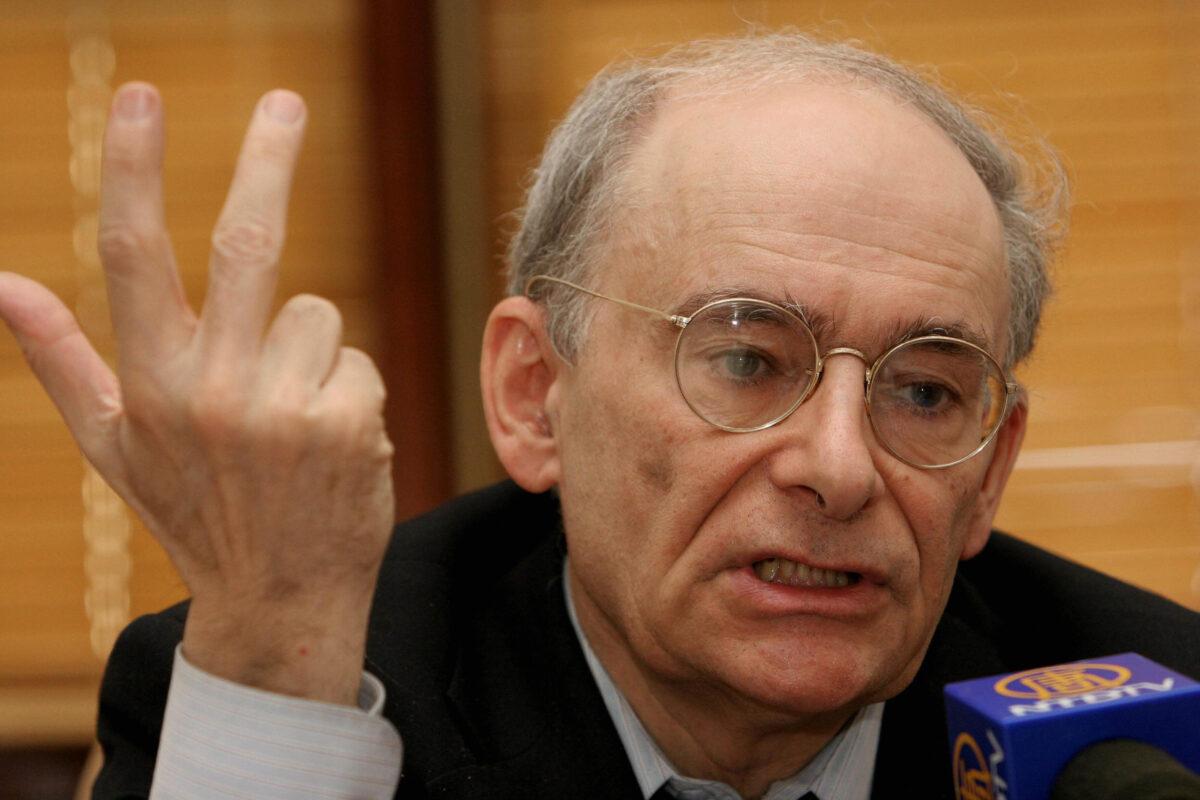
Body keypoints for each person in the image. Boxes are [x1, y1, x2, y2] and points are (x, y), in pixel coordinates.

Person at [1, 32, 1196, 800]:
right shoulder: (325, 685)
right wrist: (271, 658)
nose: (840, 467)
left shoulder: (1150, 727)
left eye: (927, 391)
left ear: (989, 474)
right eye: (744, 358)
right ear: (535, 394)